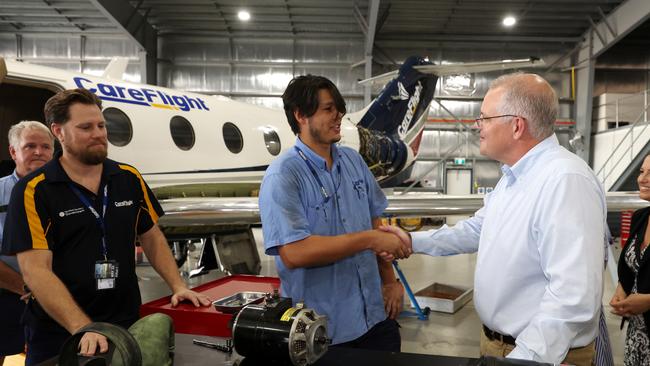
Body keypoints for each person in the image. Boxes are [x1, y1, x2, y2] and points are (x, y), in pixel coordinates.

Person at [381, 73, 606, 365]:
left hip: (543, 354)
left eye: (485, 118)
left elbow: (573, 295)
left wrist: (524, 359)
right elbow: (478, 228)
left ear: (516, 126)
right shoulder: (515, 176)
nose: (478, 126)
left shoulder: (564, 181)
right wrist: (412, 239)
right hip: (499, 346)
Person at [0, 88, 211, 365]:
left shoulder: (128, 178)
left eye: (101, 125)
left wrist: (177, 285)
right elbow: (36, 270)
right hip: (60, 331)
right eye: (85, 127)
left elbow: (151, 237)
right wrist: (81, 326)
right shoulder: (34, 190)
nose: (98, 133)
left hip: (124, 321)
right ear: (59, 132)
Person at [259, 75, 410, 351]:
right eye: (328, 109)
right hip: (323, 332)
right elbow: (294, 253)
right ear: (300, 115)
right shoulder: (283, 175)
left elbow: (375, 224)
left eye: (338, 108)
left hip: (375, 318)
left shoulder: (353, 161)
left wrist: (390, 282)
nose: (338, 115)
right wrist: (369, 240)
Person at [0, 121, 54, 365]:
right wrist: (27, 288)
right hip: (8, 291)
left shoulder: (67, 193)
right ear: (13, 152)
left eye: (45, 146)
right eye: (30, 146)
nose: (39, 152)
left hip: (54, 295)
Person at [610, 154, 650, 366]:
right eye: (642, 172)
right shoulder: (640, 217)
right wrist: (621, 288)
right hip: (638, 336)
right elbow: (631, 267)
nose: (642, 179)